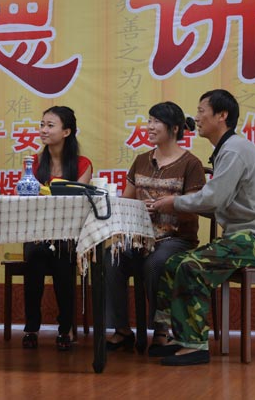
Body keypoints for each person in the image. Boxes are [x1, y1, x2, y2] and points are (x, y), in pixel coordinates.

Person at [149, 89, 255, 366]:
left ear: (222, 115)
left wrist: (175, 203)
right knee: (173, 263)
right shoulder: (227, 149)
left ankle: (194, 345)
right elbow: (216, 203)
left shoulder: (234, 149)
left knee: (191, 267)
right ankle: (169, 335)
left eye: (201, 111)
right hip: (241, 239)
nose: (196, 118)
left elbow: (214, 199)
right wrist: (177, 204)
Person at [104, 101, 205, 353]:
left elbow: (195, 207)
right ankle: (122, 329)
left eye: (156, 122)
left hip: (176, 238)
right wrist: (135, 209)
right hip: (140, 237)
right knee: (111, 257)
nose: (149, 127)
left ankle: (161, 330)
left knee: (156, 263)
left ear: (174, 128)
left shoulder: (191, 164)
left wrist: (164, 207)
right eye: (149, 121)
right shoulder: (141, 160)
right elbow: (127, 200)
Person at [22, 105, 92, 351]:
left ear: (66, 132)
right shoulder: (34, 163)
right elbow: (28, 201)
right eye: (42, 125)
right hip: (38, 233)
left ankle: (65, 328)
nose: (43, 130)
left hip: (67, 235)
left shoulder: (82, 164)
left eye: (50, 125)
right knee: (35, 257)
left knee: (63, 261)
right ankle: (31, 327)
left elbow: (78, 205)